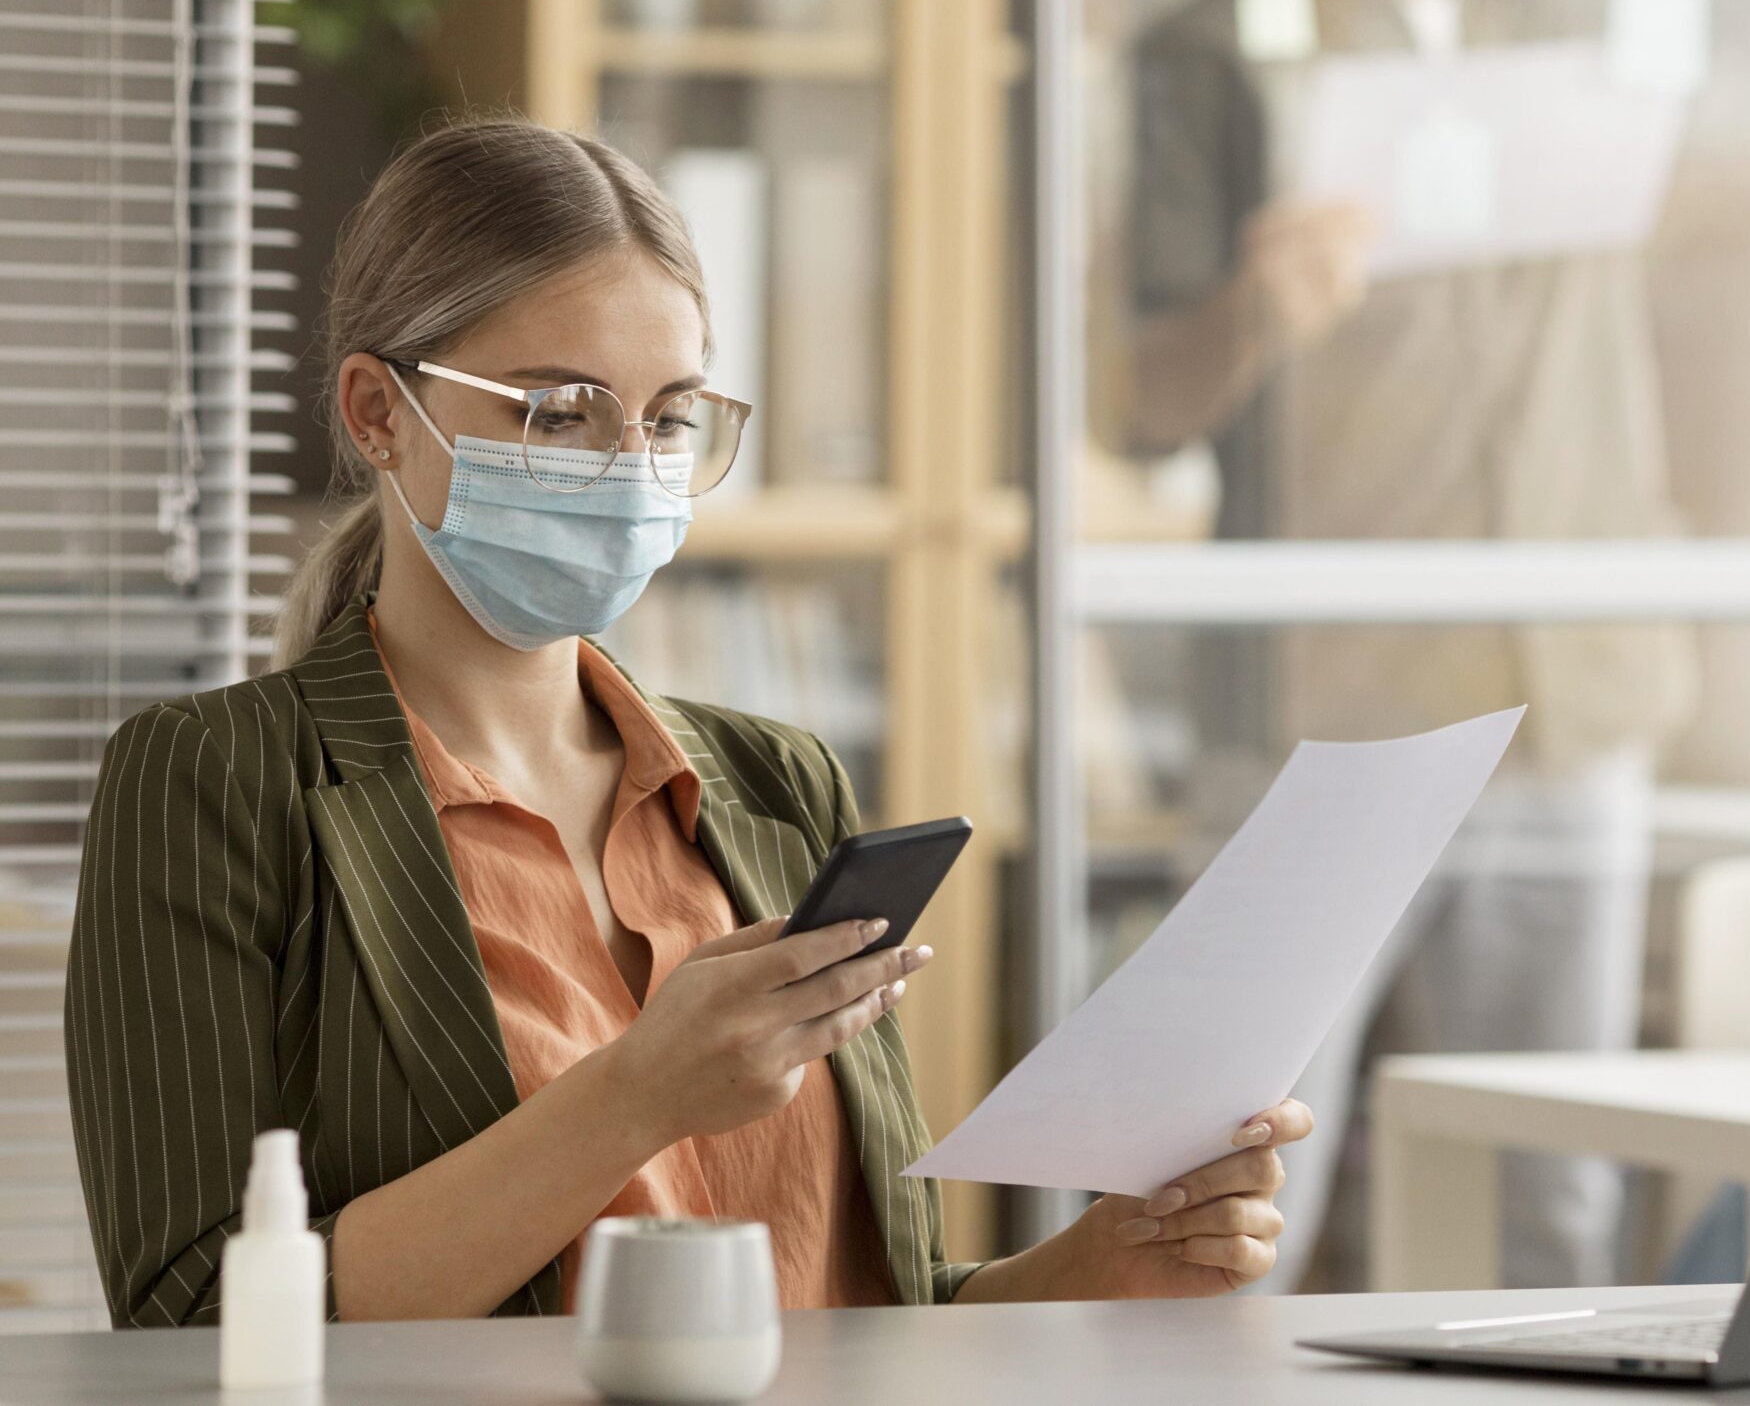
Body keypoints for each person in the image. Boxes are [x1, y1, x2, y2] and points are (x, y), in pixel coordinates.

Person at [64, 117, 1311, 1326]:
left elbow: (864, 1306)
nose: (627, 466)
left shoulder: (779, 786)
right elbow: (198, 1318)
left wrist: (1099, 1264)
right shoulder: (214, 782)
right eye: (559, 410)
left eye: (666, 418)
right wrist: (633, 1098)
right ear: (379, 412)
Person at [1118, 0, 1693, 1291]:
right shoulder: (1209, 49)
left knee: (1556, 1205)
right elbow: (1135, 399)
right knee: (1228, 1183)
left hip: (1572, 689)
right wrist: (1251, 310)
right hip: (1325, 710)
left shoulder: (1591, 6)